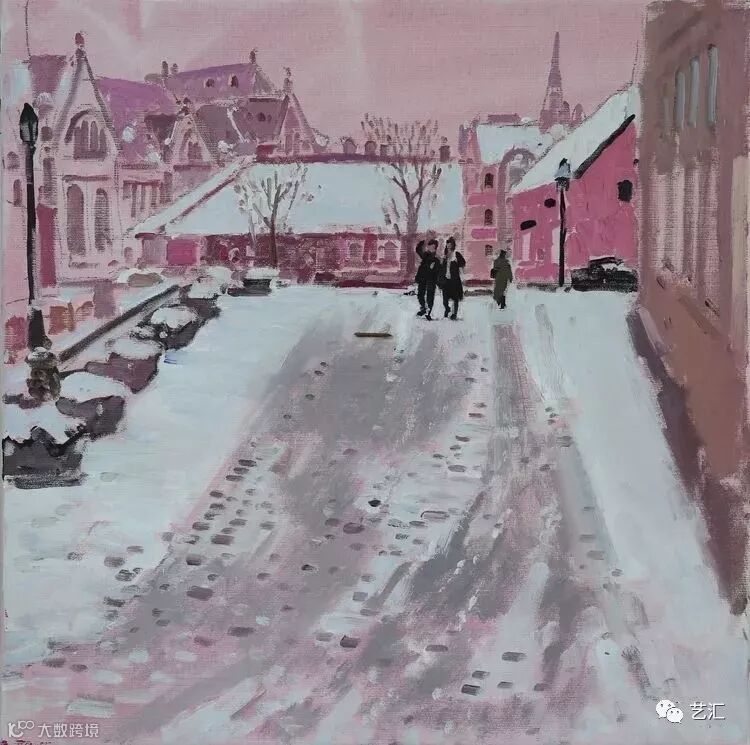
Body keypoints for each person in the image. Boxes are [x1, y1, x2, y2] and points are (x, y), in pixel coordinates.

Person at [415, 238, 440, 320]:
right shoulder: (425, 255)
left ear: (435, 247)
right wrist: (421, 243)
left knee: (430, 296)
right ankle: (423, 308)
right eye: (429, 246)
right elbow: (418, 251)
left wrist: (432, 268)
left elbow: (437, 271)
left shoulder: (436, 259)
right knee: (420, 295)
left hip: (431, 280)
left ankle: (428, 313)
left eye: (431, 246)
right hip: (422, 278)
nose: (429, 247)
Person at [440, 237, 465, 320]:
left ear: (453, 245)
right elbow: (442, 267)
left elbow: (461, 265)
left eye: (450, 244)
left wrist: (462, 277)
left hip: (454, 280)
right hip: (446, 280)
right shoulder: (445, 255)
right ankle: (447, 309)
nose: (448, 246)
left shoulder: (456, 254)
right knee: (445, 299)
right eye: (447, 244)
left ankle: (454, 314)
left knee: (455, 298)